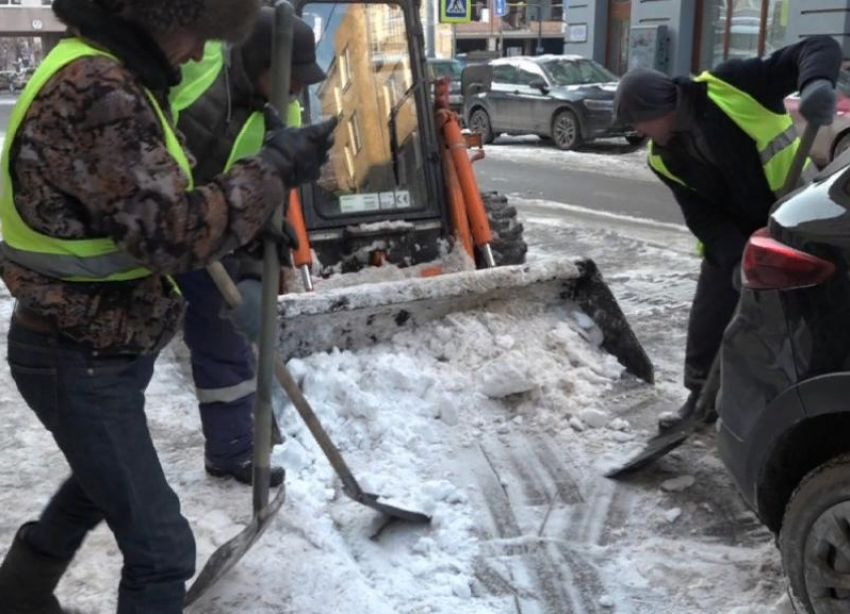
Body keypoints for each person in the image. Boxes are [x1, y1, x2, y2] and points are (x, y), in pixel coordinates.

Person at [0, 0, 336, 612]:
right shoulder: (101, 89)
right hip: (75, 353)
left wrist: (252, 217)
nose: (204, 52)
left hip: (88, 342)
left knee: (100, 484)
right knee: (162, 551)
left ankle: (17, 595)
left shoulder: (103, 70)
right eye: (199, 34)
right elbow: (172, 233)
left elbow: (153, 200)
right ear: (158, 15)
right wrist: (274, 171)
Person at [613, 36, 842, 431]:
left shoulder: (730, 86)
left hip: (793, 216)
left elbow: (817, 47)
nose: (636, 130)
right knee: (710, 314)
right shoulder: (662, 158)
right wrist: (735, 258)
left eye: (637, 120)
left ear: (658, 108)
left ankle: (819, 408)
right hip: (737, 235)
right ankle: (701, 399)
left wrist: (816, 85)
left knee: (808, 314)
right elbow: (701, 217)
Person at [169, 10, 327, 487]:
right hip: (149, 217)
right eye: (292, 79)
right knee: (129, 356)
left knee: (222, 334)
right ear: (262, 60)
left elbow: (271, 183)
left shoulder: (284, 109)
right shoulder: (199, 65)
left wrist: (267, 229)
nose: (297, 91)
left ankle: (233, 452)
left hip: (210, 228)